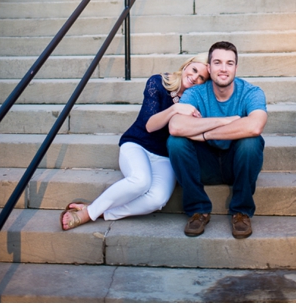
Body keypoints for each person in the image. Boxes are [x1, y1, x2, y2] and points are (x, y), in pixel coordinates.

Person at [60, 56, 209, 230]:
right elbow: (150, 125)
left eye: (201, 78)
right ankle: (87, 214)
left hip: (165, 156)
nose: (194, 77)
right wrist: (175, 108)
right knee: (140, 181)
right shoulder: (158, 82)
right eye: (194, 70)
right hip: (138, 145)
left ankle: (101, 211)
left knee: (157, 199)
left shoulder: (194, 100)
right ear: (187, 65)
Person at [167, 41, 267, 239]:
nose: (223, 69)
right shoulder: (195, 93)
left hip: (236, 163)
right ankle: (198, 209)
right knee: (175, 142)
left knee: (251, 142)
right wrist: (226, 123)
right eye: (218, 62)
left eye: (229, 63)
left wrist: (205, 134)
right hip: (204, 164)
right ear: (209, 67)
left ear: (236, 68)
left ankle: (241, 212)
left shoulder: (251, 92)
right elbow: (176, 126)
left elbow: (254, 126)